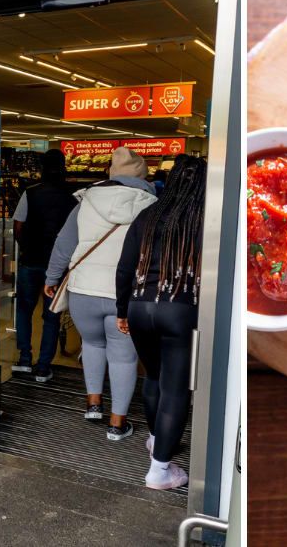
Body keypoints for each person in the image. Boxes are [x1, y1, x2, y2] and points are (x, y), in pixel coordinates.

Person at [46, 147, 156, 441]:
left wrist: (52, 277)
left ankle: (93, 404)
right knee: (123, 358)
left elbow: (64, 243)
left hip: (84, 290)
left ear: (110, 173)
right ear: (143, 177)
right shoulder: (152, 205)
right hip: (125, 294)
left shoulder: (87, 200)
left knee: (92, 345)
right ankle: (117, 423)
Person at [114, 156, 205, 491]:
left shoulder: (147, 216)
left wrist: (122, 309)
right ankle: (160, 471)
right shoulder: (202, 219)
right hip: (179, 308)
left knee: (152, 376)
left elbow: (124, 268)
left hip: (140, 306)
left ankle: (156, 440)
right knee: (175, 388)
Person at [11, 149, 75, 383]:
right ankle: (43, 366)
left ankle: (25, 359)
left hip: (31, 261)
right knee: (52, 315)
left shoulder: (30, 193)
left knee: (24, 310)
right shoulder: (74, 196)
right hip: (58, 265)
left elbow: (18, 227)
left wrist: (27, 246)